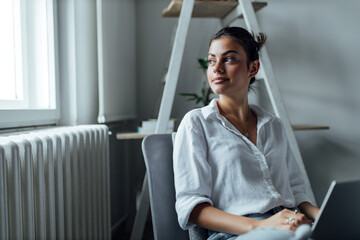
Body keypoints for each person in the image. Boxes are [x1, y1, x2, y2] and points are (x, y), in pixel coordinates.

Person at [173, 27, 319, 240]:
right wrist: (263, 226)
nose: (217, 68)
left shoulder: (274, 125)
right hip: (236, 233)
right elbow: (191, 207)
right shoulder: (196, 123)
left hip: (289, 223)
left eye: (229, 59)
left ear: (253, 68)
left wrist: (322, 215)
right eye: (212, 61)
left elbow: (296, 193)